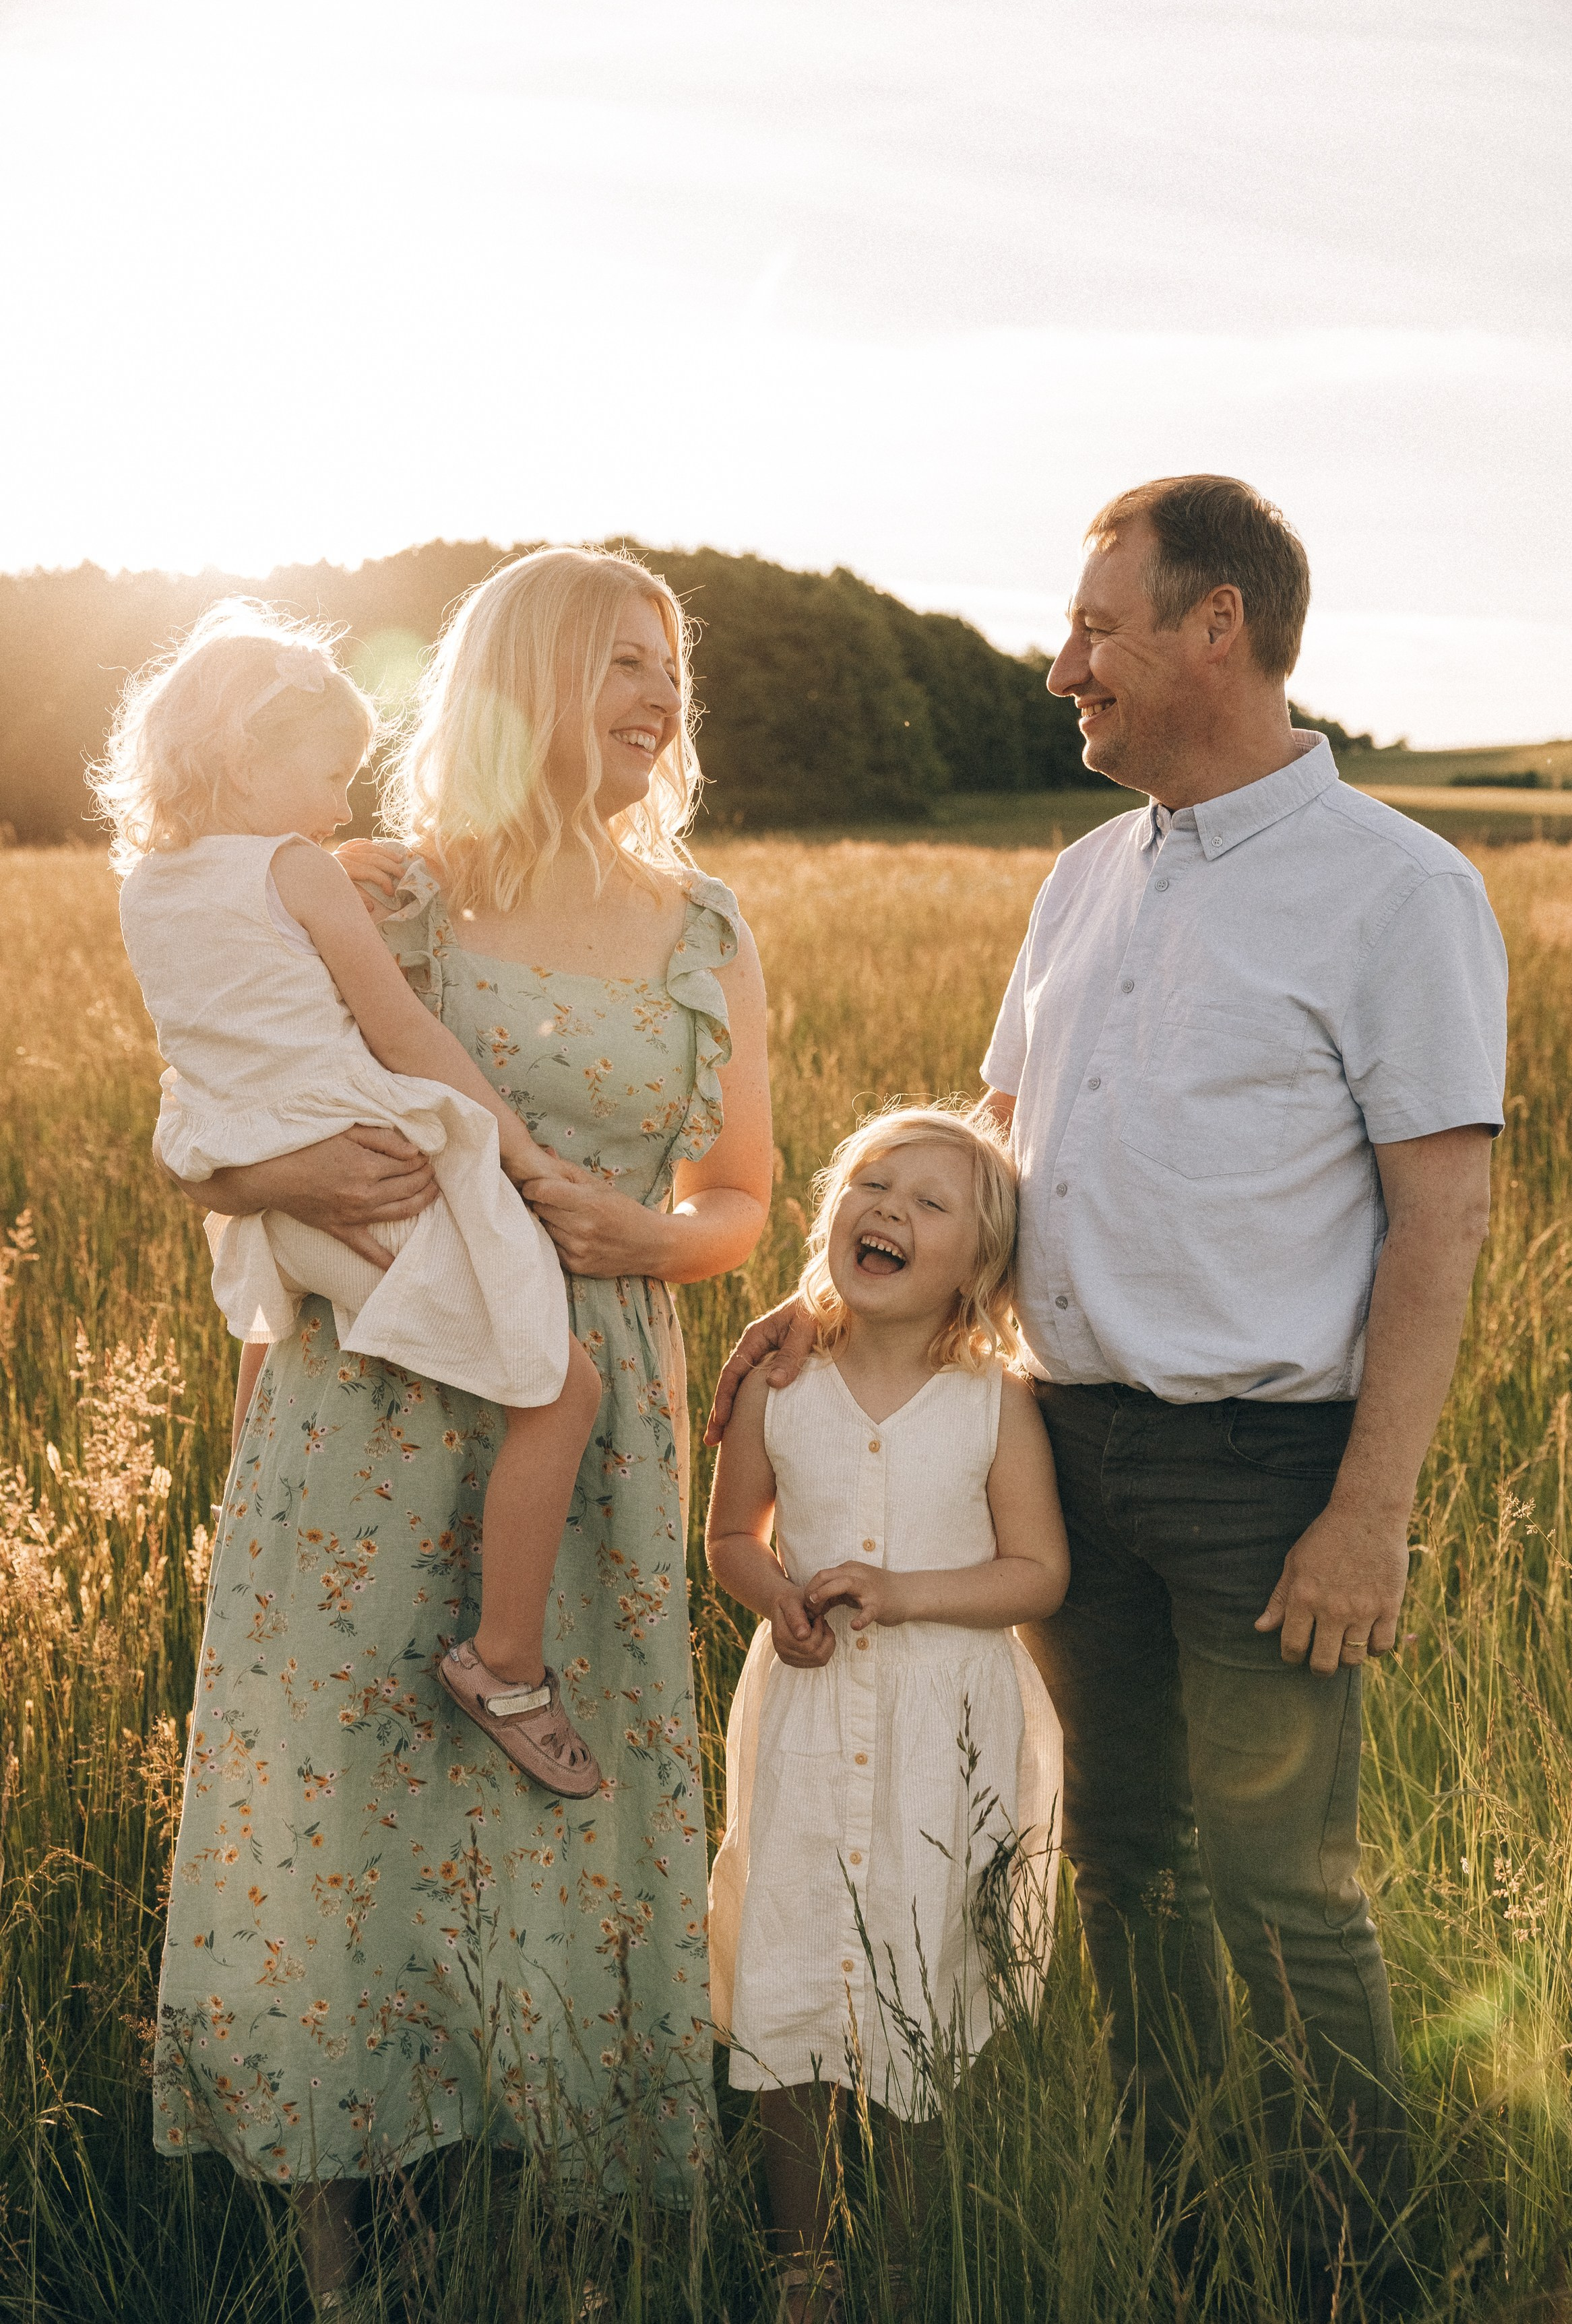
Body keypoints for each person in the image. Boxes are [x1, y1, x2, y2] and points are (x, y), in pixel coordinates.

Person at [707, 478, 1508, 2302]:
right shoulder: (1082, 876)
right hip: (1054, 1449)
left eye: (1092, 628)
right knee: (1120, 1869)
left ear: (1209, 626)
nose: (1061, 665)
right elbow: (988, 1165)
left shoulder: (1396, 889)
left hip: (1262, 1474)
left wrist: (1363, 1509)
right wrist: (818, 1308)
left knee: (1284, 1890)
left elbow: (1436, 1216)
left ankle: (1345, 2269)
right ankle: (1182, 2241)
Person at [148, 548, 772, 2308]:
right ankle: (351, 2265)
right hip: (365, 1422)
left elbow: (737, 1196)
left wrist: (652, 1239)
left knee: (559, 1832)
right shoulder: (373, 899)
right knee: (349, 1825)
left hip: (589, 1439)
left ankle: (562, 2250)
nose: (657, 700)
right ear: (512, 690)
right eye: (614, 668)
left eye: (667, 670)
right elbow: (228, 1149)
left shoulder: (707, 925)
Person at [100, 603, 606, 1795]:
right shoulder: (292, 866)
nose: (338, 809)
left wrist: (322, 870)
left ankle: (257, 1585)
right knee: (563, 1385)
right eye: (327, 777)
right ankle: (506, 1661)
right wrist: (522, 1155)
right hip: (363, 1163)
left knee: (278, 1379)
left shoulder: (149, 886)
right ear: (244, 757)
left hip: (258, 1186)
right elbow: (402, 1027)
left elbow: (241, 993)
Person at [705, 1106, 1065, 2321]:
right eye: (871, 1184)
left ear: (978, 1262)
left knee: (927, 1981)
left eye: (928, 1204)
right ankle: (802, 2260)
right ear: (831, 1212)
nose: (889, 1213)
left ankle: (907, 2260)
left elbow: (1038, 1573)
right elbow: (727, 1538)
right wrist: (780, 1599)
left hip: (941, 1728)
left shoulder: (991, 1401)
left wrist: (905, 1595)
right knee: (792, 1968)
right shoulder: (778, 1375)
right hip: (807, 1716)